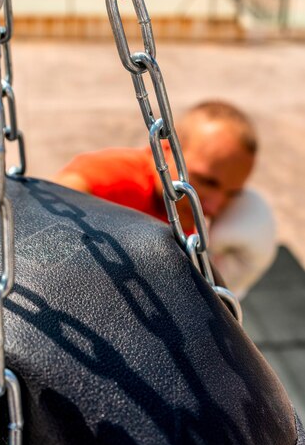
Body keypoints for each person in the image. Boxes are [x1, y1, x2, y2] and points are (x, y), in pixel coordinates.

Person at [54, 101, 276, 299]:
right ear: (167, 150)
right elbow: (49, 208)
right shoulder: (116, 176)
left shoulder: (191, 224)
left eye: (231, 194)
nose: (213, 207)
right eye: (207, 181)